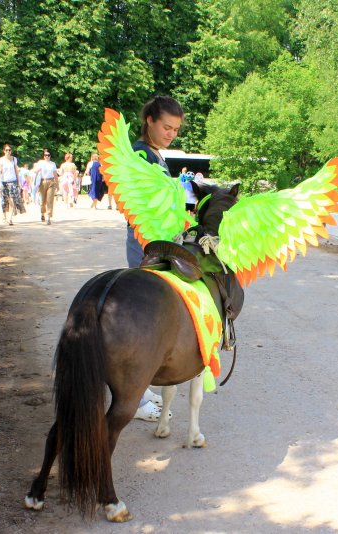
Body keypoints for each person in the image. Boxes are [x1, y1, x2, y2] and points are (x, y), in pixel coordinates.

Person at [128, 95, 185, 421]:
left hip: (159, 239)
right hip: (145, 240)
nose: (171, 134)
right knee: (145, 318)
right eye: (166, 127)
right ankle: (133, 395)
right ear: (149, 120)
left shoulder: (154, 155)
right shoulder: (139, 154)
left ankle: (140, 386)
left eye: (176, 130)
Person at [0, 144, 26, 225]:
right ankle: (4, 216)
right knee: (4, 201)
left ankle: (10, 219)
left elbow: (16, 170)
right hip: (4, 182)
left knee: (12, 200)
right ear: (4, 151)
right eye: (6, 150)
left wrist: (19, 182)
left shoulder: (14, 159)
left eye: (9, 150)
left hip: (13, 181)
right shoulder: (1, 160)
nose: (8, 151)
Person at [35, 149, 57, 224]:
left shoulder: (53, 164)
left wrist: (57, 184)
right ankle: (42, 213)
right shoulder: (41, 163)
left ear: (50, 156)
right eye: (45, 155)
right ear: (43, 156)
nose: (47, 156)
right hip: (42, 181)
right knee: (42, 201)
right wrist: (37, 170)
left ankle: (48, 217)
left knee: (50, 200)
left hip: (51, 181)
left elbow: (55, 174)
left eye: (48, 155)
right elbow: (35, 171)